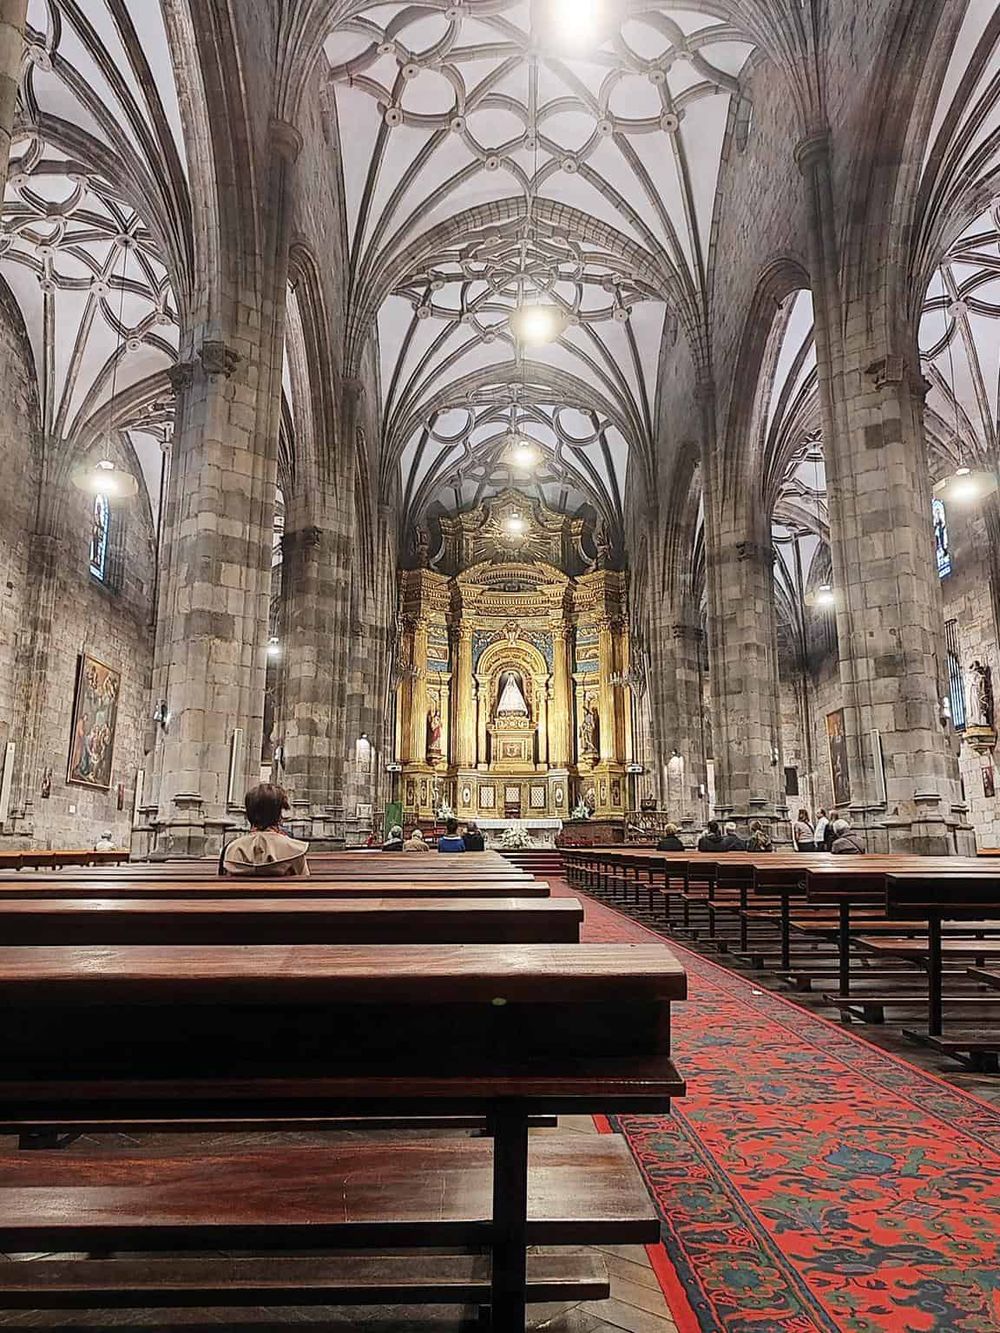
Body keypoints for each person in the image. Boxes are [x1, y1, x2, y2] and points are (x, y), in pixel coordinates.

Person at [222, 783, 309, 877]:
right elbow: (306, 883)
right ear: (279, 816)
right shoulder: (294, 850)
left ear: (248, 815)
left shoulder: (233, 849)